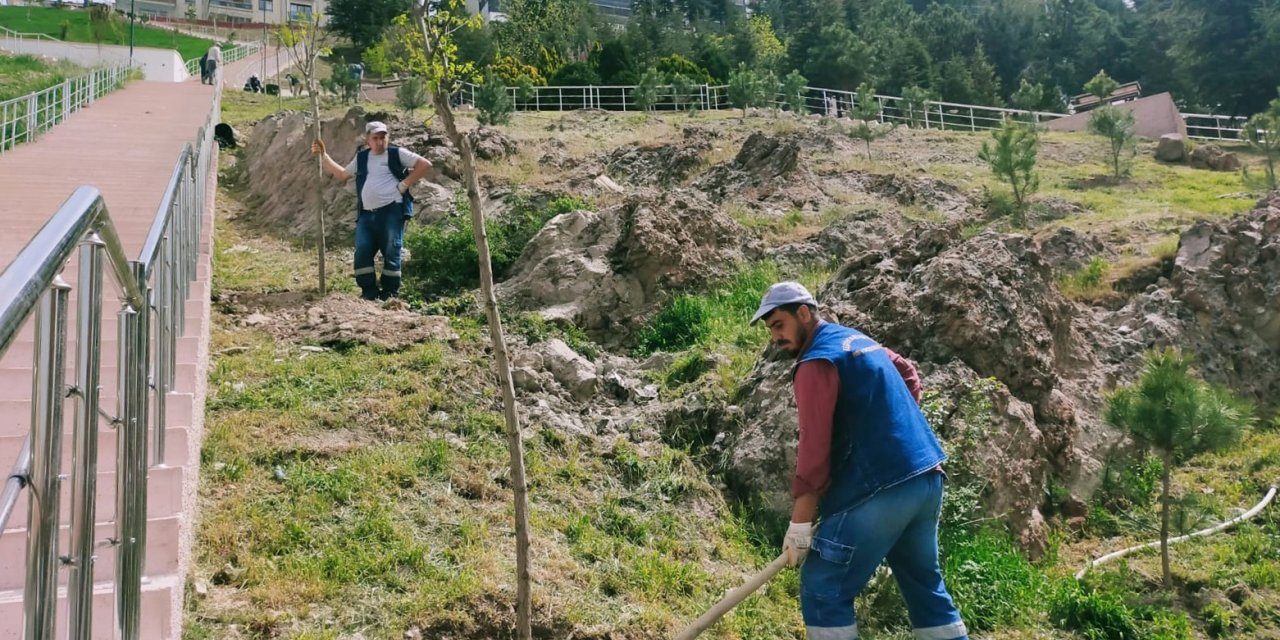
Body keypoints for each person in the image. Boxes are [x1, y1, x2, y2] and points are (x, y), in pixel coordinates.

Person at [751, 282, 968, 640]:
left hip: (882, 488)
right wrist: (889, 432)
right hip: (926, 477)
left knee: (824, 587)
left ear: (803, 313)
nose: (775, 337)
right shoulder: (856, 341)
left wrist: (800, 523)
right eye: (771, 329)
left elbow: (814, 447)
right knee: (924, 586)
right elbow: (909, 374)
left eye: (778, 325)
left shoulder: (816, 361)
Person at [312, 121, 433, 301]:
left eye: (383, 137)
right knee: (362, 249)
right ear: (367, 140)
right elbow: (343, 174)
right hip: (367, 214)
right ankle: (368, 291)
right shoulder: (362, 158)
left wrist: (404, 184)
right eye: (375, 138)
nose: (379, 142)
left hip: (392, 211)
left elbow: (425, 164)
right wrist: (324, 156)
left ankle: (389, 293)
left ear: (387, 138)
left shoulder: (396, 153)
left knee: (392, 250)